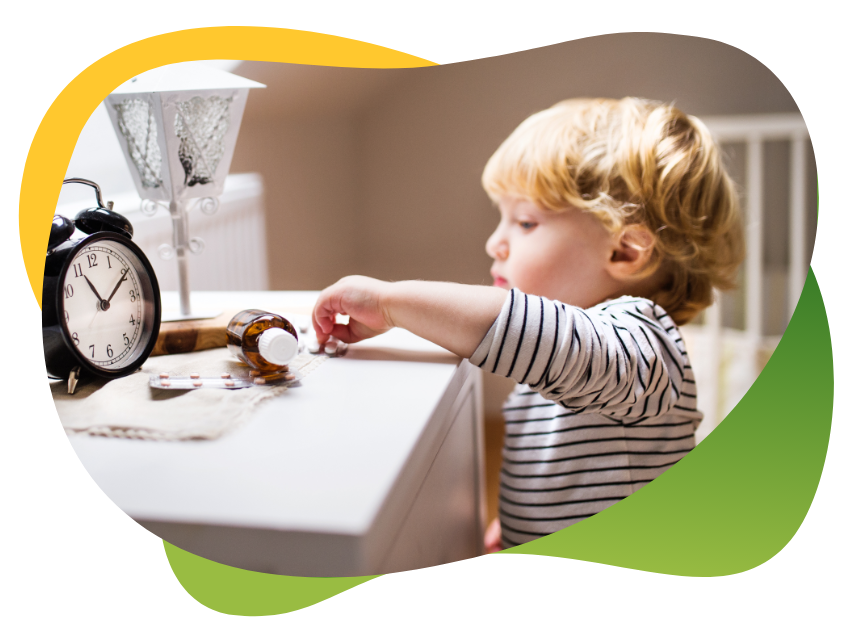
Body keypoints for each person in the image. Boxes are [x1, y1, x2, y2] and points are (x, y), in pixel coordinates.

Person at [311, 97, 745, 552]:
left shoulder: (645, 343)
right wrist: (519, 523)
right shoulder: (570, 359)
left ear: (624, 252)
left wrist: (391, 302)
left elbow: (535, 334)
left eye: (524, 222)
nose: (495, 242)